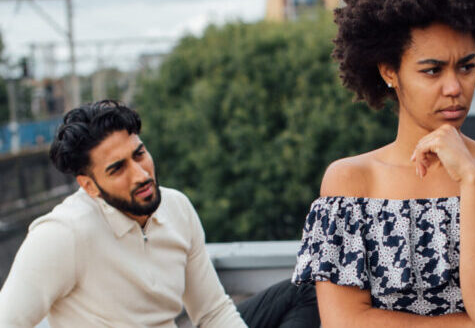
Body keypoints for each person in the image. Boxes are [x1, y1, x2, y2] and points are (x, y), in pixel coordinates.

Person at [292, 0, 475, 327]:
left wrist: (472, 181)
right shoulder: (350, 183)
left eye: (467, 67)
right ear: (389, 71)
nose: (454, 88)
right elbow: (344, 323)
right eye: (432, 70)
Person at [0, 100, 319, 328]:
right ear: (89, 185)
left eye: (139, 154)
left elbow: (211, 312)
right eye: (117, 168)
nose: (140, 174)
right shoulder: (62, 234)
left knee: (308, 291)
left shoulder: (176, 207)